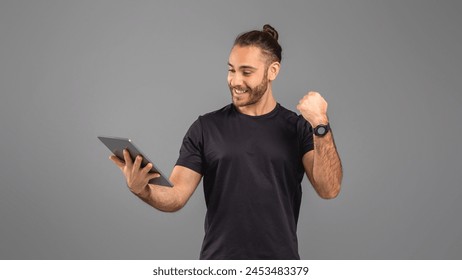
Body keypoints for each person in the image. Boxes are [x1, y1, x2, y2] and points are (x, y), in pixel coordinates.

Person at [110, 24, 343, 260]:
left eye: (246, 72)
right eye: (231, 70)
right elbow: (177, 195)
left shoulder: (298, 128)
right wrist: (143, 190)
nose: (235, 80)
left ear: (272, 71)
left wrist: (320, 124)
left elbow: (329, 189)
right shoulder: (205, 128)